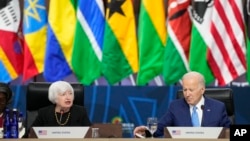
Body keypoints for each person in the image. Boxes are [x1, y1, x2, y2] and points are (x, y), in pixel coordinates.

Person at [133, 71, 231, 138]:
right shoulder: (175, 107)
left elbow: (229, 133)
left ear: (202, 90)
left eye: (191, 90)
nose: (187, 94)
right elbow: (159, 129)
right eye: (185, 90)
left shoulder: (218, 107)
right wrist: (145, 132)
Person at [24, 81, 91, 137]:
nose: (68, 97)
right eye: (63, 94)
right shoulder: (44, 113)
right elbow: (30, 134)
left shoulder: (80, 112)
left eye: (70, 94)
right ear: (55, 98)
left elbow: (91, 134)